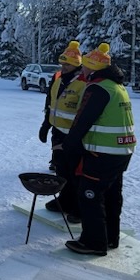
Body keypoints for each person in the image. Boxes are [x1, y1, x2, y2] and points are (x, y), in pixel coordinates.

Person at [60, 42, 136, 256]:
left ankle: (93, 242)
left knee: (89, 195)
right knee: (112, 195)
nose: (81, 69)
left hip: (103, 153)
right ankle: (110, 237)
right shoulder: (117, 87)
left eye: (84, 66)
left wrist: (69, 146)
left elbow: (83, 120)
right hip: (121, 151)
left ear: (92, 68)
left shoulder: (98, 88)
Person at [38, 40, 85, 221]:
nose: (63, 67)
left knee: (76, 172)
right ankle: (64, 200)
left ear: (76, 65)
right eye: (62, 64)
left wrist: (77, 135)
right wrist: (45, 125)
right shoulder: (58, 78)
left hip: (74, 135)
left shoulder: (83, 81)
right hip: (58, 131)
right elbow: (51, 103)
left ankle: (78, 207)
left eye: (67, 64)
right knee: (61, 169)